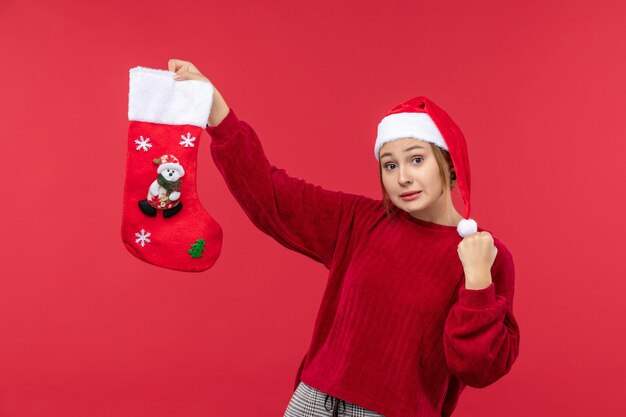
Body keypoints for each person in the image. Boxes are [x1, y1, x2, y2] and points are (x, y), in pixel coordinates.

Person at [167, 59, 520, 417]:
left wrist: (477, 282)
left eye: (416, 159)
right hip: (313, 403)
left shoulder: (484, 254)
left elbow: (479, 368)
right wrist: (217, 112)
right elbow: (269, 195)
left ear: (451, 165)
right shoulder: (359, 221)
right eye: (390, 164)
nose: (402, 178)